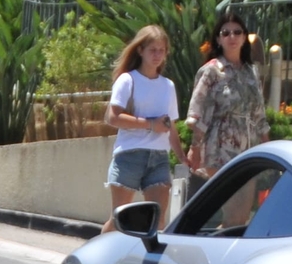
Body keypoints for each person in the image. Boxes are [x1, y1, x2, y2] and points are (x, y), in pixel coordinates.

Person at [104, 24, 178, 231]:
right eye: (152, 50)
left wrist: (182, 156)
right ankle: (97, 255)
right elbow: (113, 117)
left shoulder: (168, 86)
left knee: (157, 220)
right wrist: (151, 124)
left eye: (161, 50)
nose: (157, 55)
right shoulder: (128, 80)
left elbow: (171, 126)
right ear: (140, 50)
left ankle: (148, 262)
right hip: (130, 155)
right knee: (120, 219)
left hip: (159, 158)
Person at [185, 12, 266, 192]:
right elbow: (199, 112)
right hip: (219, 148)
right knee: (232, 207)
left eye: (237, 32)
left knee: (241, 215)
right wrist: (195, 148)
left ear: (245, 37)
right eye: (226, 33)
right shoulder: (211, 71)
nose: (232, 37)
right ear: (218, 39)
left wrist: (266, 145)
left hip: (248, 148)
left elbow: (259, 113)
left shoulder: (251, 72)